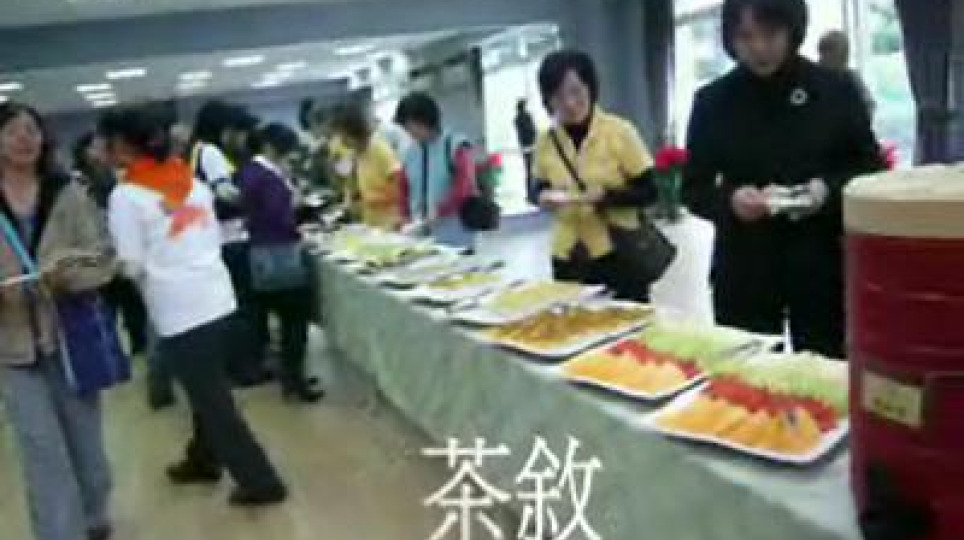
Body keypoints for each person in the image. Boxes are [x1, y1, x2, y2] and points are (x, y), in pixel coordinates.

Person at [102, 103, 287, 506]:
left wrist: (108, 264)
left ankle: (261, 481)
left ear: (121, 145)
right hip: (218, 295)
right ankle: (202, 459)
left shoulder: (126, 196)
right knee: (209, 392)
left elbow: (131, 264)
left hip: (179, 309)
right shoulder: (191, 180)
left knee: (213, 401)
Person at [683, 0, 884, 358]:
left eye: (770, 34)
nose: (759, 48)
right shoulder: (712, 102)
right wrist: (730, 200)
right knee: (747, 376)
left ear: (792, 29)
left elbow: (870, 169)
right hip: (745, 267)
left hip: (819, 264)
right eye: (746, 37)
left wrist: (826, 190)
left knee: (824, 372)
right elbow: (693, 188)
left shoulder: (835, 90)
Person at [0, 103, 116, 540]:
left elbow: (103, 257)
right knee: (41, 449)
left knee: (86, 444)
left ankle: (93, 515)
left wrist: (68, 274)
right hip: (11, 347)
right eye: (12, 131)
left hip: (71, 336)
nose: (24, 139)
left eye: (31, 130)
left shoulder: (68, 193)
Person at [532, 50, 659, 302]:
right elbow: (537, 187)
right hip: (568, 254)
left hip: (618, 251)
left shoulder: (619, 131)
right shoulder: (546, 141)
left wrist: (605, 197)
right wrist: (542, 196)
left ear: (591, 88)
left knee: (627, 322)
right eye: (558, 96)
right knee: (574, 321)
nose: (569, 103)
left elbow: (650, 190)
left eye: (576, 91)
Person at [237, 122, 324, 403]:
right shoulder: (267, 176)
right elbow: (279, 216)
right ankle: (295, 381)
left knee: (285, 321)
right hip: (280, 254)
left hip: (260, 254)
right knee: (295, 321)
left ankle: (291, 377)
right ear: (270, 147)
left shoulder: (249, 171)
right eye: (285, 150)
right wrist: (301, 226)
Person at [190, 101, 270, 387]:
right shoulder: (211, 152)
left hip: (216, 239)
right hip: (231, 238)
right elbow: (225, 193)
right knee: (244, 307)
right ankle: (247, 368)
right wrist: (258, 200)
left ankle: (239, 365)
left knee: (234, 307)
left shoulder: (195, 151)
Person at [74, 132, 151, 359]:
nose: (99, 154)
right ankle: (110, 351)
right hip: (96, 249)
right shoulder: (78, 179)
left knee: (132, 301)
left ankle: (139, 346)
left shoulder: (116, 175)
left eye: (102, 148)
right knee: (105, 305)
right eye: (93, 148)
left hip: (120, 246)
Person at [394, 92, 477, 250]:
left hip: (455, 232)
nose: (409, 132)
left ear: (425, 120)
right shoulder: (410, 153)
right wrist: (404, 216)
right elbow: (404, 189)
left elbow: (464, 187)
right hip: (420, 235)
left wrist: (440, 211)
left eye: (410, 126)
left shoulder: (455, 145)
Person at [329, 104, 404, 230]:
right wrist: (349, 198)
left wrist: (367, 199)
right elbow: (345, 177)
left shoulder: (380, 150)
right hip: (371, 223)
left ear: (356, 133)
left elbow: (400, 192)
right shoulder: (355, 153)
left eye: (345, 137)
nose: (343, 143)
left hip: (390, 223)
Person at [818, 29, 876, 119]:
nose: (822, 57)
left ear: (842, 55)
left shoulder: (852, 78)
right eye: (822, 52)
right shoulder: (815, 77)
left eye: (828, 51)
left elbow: (869, 106)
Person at [514, 99, 538, 204]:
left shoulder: (517, 119)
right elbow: (532, 131)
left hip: (525, 147)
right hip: (531, 147)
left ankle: (530, 195)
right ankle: (532, 195)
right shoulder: (526, 116)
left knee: (529, 171)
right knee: (533, 171)